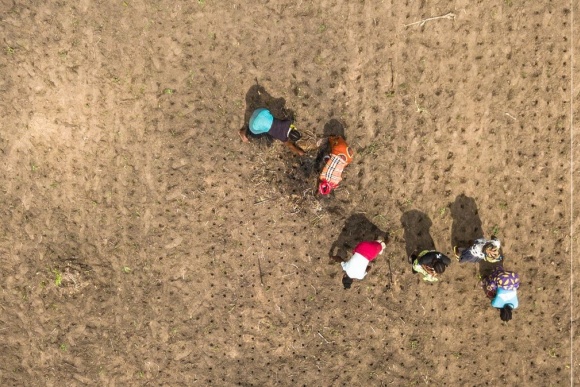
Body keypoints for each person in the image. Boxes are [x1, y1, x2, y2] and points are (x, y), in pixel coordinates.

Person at [239, 108, 305, 156]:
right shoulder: (283, 137)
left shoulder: (288, 123)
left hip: (260, 111)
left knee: (271, 121)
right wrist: (299, 151)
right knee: (255, 134)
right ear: (289, 138)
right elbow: (290, 146)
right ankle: (243, 133)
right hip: (253, 124)